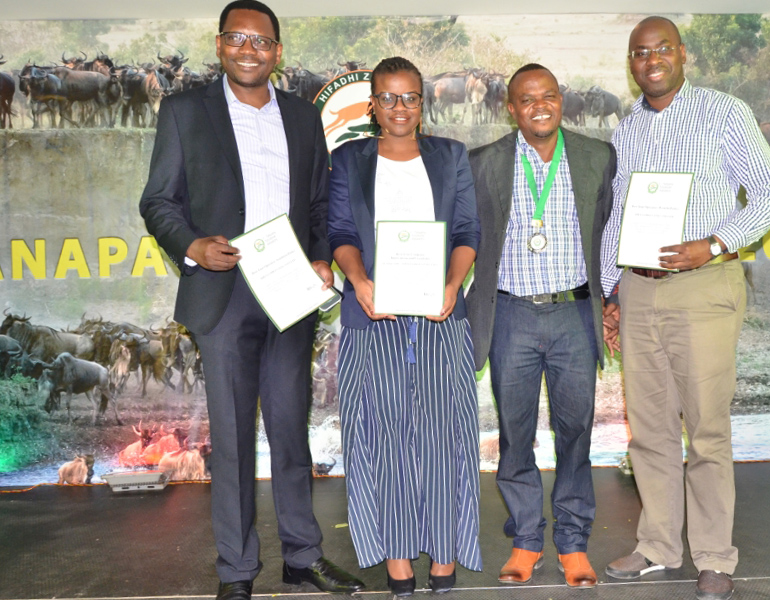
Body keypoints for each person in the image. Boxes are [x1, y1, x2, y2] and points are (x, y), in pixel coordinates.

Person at [139, 2, 365, 599]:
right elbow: (158, 201)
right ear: (219, 46)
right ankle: (237, 573)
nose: (249, 50)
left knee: (293, 434)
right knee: (235, 442)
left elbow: (317, 206)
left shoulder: (300, 116)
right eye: (237, 39)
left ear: (277, 52)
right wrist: (190, 245)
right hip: (223, 293)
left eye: (261, 41)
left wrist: (320, 256)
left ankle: (302, 557)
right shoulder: (186, 111)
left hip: (288, 291)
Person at [600, 16, 770, 600]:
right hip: (638, 290)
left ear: (682, 54)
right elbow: (615, 217)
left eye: (661, 49)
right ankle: (658, 545)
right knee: (649, 429)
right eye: (639, 52)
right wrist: (611, 292)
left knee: (706, 430)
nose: (650, 59)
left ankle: (713, 555)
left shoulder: (723, 112)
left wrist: (712, 244)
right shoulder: (625, 129)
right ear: (631, 64)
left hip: (704, 285)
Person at [326, 56, 482, 597]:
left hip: (440, 317)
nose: (400, 108)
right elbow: (341, 231)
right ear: (372, 104)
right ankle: (397, 561)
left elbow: (466, 230)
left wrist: (450, 286)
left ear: (423, 101)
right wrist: (360, 282)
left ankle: (443, 557)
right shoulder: (348, 160)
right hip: (374, 319)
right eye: (388, 98)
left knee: (443, 437)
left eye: (410, 97)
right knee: (384, 439)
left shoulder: (451, 156)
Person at [466, 64, 616, 589]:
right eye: (526, 99)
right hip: (511, 314)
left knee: (575, 432)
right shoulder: (483, 163)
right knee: (516, 434)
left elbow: (609, 232)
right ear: (511, 107)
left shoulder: (598, 156)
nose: (539, 106)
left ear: (561, 100)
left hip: (575, 312)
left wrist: (612, 298)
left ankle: (573, 544)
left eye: (548, 95)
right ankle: (527, 539)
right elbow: (466, 238)